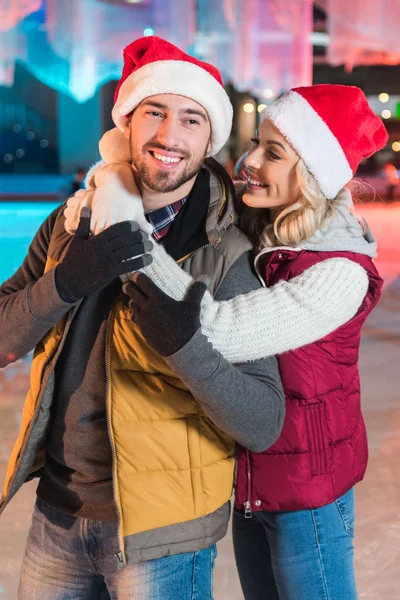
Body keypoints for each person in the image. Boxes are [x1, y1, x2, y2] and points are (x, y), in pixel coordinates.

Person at [71, 84, 387, 599]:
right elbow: (181, 183)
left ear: (311, 174)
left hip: (309, 491)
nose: (249, 160)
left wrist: (129, 237)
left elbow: (220, 329)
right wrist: (112, 181)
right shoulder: (265, 230)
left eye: (274, 152)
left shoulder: (340, 274)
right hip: (251, 479)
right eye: (256, 142)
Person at [0, 36, 286, 600]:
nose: (168, 136)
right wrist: (63, 283)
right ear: (126, 122)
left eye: (191, 119)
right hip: (56, 514)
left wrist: (187, 346)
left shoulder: (225, 254)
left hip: (165, 537)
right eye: (153, 112)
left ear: (210, 141)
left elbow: (263, 420)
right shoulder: (70, 224)